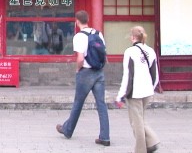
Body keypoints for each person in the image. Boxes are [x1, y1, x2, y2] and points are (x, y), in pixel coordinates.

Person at [56, 10, 110, 146]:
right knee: (101, 104)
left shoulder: (79, 36)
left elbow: (80, 58)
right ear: (88, 19)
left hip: (86, 72)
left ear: (77, 21)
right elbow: (104, 53)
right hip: (99, 72)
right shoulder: (98, 34)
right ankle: (105, 136)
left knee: (78, 102)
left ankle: (67, 130)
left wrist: (78, 69)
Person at [115, 26, 160, 153]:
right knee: (141, 119)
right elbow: (155, 74)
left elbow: (127, 75)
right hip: (147, 90)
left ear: (133, 37)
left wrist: (120, 95)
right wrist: (151, 87)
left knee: (136, 123)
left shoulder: (130, 52)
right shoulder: (150, 51)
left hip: (135, 92)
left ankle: (142, 148)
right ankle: (151, 142)